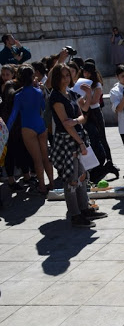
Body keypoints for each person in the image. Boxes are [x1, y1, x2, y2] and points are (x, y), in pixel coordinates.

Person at [49, 64, 107, 227]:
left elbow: (83, 113)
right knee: (72, 179)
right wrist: (80, 141)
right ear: (56, 78)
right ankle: (75, 214)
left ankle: (83, 208)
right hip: (67, 141)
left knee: (82, 176)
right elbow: (65, 124)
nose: (66, 78)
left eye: (68, 75)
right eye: (63, 76)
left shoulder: (70, 93)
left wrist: (88, 96)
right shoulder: (56, 97)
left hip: (76, 137)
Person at [6, 65, 54, 194]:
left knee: (37, 160)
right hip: (41, 126)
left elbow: (14, 115)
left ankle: (42, 187)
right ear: (33, 76)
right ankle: (52, 184)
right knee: (45, 157)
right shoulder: (38, 91)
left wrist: (6, 131)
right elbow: (44, 108)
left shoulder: (19, 95)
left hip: (28, 127)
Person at [82, 61, 118, 180]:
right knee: (93, 138)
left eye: (86, 72)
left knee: (102, 137)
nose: (84, 74)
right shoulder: (83, 83)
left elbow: (94, 101)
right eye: (84, 71)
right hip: (87, 112)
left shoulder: (97, 85)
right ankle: (97, 163)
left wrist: (85, 96)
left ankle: (109, 161)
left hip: (95, 112)